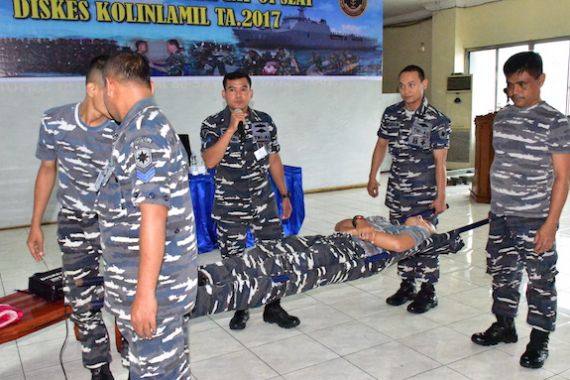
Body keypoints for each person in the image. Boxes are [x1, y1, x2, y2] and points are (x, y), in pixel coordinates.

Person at [97, 51, 198, 379]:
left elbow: (153, 215)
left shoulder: (143, 134)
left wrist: (144, 294)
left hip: (158, 291)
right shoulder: (138, 128)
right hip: (155, 287)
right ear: (149, 85)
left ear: (110, 85)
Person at [471, 51, 570, 369]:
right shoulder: (504, 117)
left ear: (541, 80)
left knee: (540, 280)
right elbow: (502, 164)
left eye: (522, 84)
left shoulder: (555, 122)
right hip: (501, 217)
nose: (515, 92)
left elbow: (563, 177)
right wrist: (496, 209)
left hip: (535, 218)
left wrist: (550, 225)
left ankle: (539, 341)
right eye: (510, 85)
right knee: (502, 275)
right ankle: (504, 326)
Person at [26, 55, 117, 380]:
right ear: (93, 88)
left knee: (127, 295)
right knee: (83, 300)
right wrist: (35, 224)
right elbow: (47, 169)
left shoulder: (124, 128)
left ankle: (139, 363)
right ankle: (99, 368)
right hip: (75, 225)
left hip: (117, 225)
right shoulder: (55, 121)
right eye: (112, 90)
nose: (118, 99)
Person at [200, 71, 300, 330]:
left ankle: (274, 307)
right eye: (232, 90)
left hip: (263, 199)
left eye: (243, 89)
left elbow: (273, 159)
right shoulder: (212, 123)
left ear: (251, 93)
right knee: (234, 258)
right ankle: (240, 307)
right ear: (224, 94)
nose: (238, 94)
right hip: (230, 203)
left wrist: (285, 195)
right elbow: (210, 160)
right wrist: (231, 129)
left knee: (273, 253)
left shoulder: (263, 122)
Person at [193, 215, 439, 318]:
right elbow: (340, 227)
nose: (421, 218)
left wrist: (370, 234)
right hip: (332, 241)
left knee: (279, 267)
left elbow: (397, 245)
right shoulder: (384, 221)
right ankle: (205, 275)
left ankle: (205, 294)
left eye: (426, 221)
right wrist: (359, 220)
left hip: (350, 253)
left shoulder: (415, 232)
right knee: (268, 252)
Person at [367, 64, 450, 314]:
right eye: (401, 85)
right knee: (398, 238)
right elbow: (381, 144)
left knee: (423, 240)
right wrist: (373, 176)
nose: (406, 90)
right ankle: (407, 284)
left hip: (424, 194)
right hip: (398, 192)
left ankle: (428, 290)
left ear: (424, 84)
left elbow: (440, 162)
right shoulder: (391, 113)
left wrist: (441, 197)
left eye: (411, 84)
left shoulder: (437, 119)